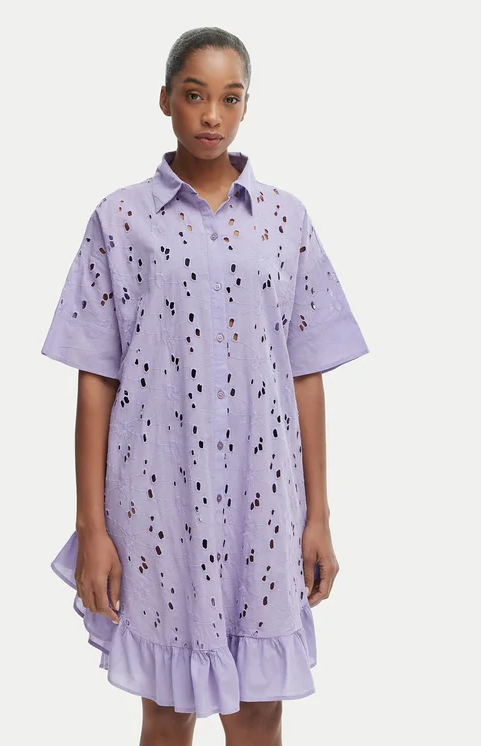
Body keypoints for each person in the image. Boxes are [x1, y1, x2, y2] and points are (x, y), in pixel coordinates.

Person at [41, 25, 369, 746]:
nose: (212, 115)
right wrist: (92, 528)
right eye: (195, 96)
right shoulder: (120, 219)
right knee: (166, 713)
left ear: (247, 105)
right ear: (165, 100)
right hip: (156, 502)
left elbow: (306, 373)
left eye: (230, 98)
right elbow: (95, 379)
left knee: (259, 714)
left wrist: (318, 516)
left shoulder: (285, 220)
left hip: (263, 501)